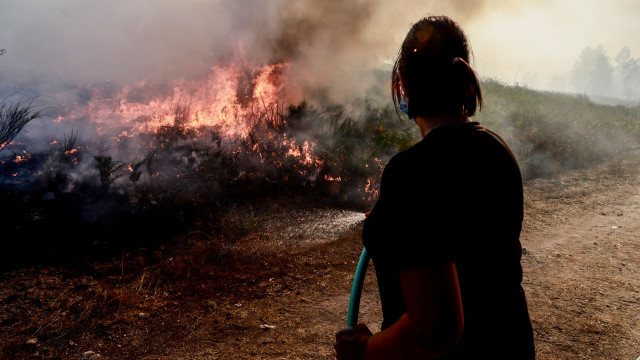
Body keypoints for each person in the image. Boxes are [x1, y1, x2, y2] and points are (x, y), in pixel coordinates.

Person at [334, 15, 535, 359]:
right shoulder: (498, 151)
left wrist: (367, 350)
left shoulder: (413, 172)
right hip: (509, 347)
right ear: (464, 81)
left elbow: (436, 329)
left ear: (403, 87)